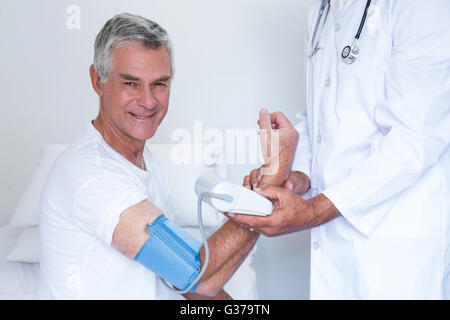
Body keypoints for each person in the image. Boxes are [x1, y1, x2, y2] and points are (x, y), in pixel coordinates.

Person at [227, 0, 450, 299]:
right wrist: (297, 177)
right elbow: (322, 116)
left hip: (395, 244)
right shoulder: (321, 9)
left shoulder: (422, 7)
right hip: (334, 239)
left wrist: (313, 210)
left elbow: (414, 137)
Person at [38, 13, 259, 300]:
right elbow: (197, 275)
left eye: (160, 84)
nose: (149, 101)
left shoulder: (147, 162)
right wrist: (261, 203)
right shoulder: (90, 173)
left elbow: (184, 280)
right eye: (131, 83)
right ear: (98, 81)